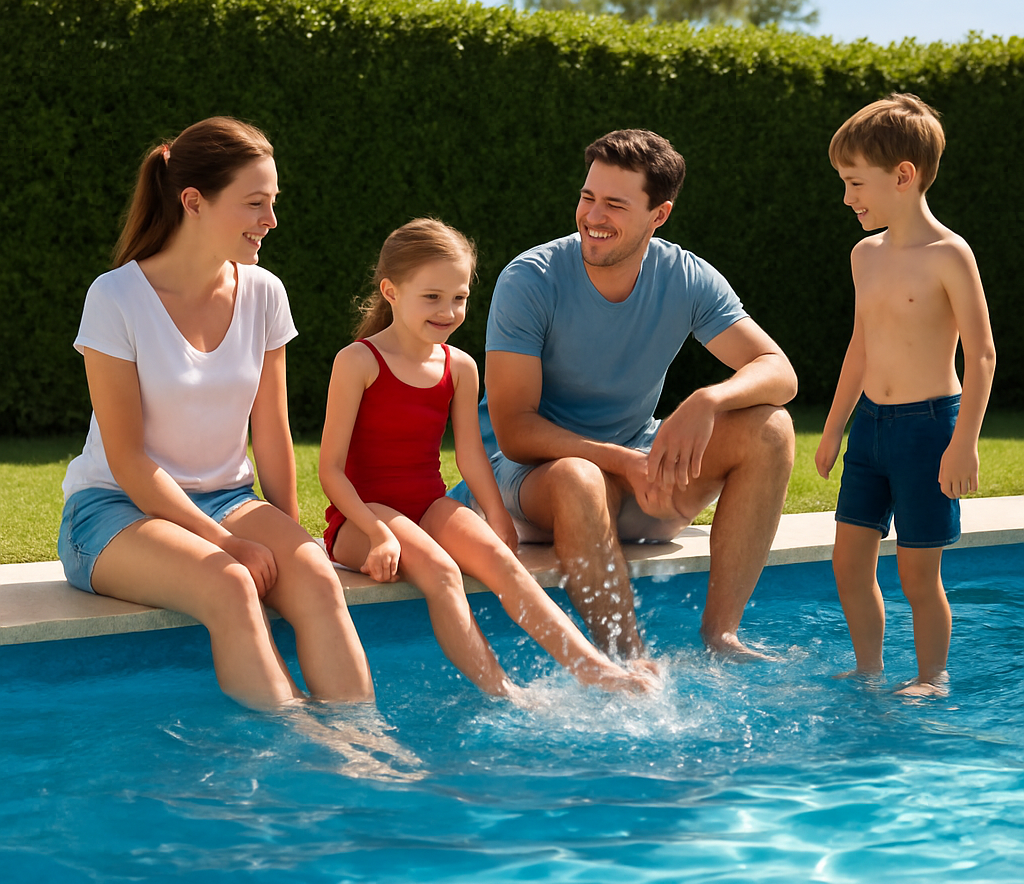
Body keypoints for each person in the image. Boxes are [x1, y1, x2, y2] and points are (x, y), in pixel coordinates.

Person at [58, 117, 374, 711]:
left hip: (227, 497)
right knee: (230, 584)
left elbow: (272, 432)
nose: (271, 221)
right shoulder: (115, 298)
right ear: (193, 202)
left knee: (314, 575)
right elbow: (126, 460)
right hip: (111, 511)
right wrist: (226, 543)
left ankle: (363, 751)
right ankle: (297, 753)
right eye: (255, 204)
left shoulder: (264, 293)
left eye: (273, 203)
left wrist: (288, 537)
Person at [450, 129, 798, 660]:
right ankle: (631, 665)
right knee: (578, 475)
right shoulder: (531, 279)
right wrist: (625, 462)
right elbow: (516, 433)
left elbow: (778, 370)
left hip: (637, 480)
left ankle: (722, 634)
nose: (593, 216)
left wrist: (708, 399)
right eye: (588, 197)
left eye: (615, 203)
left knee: (771, 428)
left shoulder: (685, 275)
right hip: (535, 483)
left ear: (659, 215)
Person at [318, 218, 656, 698]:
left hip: (428, 505)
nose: (448, 310)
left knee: (503, 561)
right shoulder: (358, 361)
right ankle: (504, 691)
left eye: (458, 297)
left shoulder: (458, 367)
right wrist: (375, 533)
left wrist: (497, 514)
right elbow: (329, 469)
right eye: (431, 297)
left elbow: (472, 455)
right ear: (391, 291)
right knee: (442, 572)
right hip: (361, 519)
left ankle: (594, 668)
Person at [815, 93, 996, 697]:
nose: (847, 199)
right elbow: (859, 348)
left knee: (918, 573)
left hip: (928, 430)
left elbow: (983, 353)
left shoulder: (950, 255)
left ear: (903, 176)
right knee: (848, 563)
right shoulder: (863, 255)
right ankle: (869, 669)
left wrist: (964, 442)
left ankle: (930, 677)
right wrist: (837, 426)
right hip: (870, 427)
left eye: (855, 183)